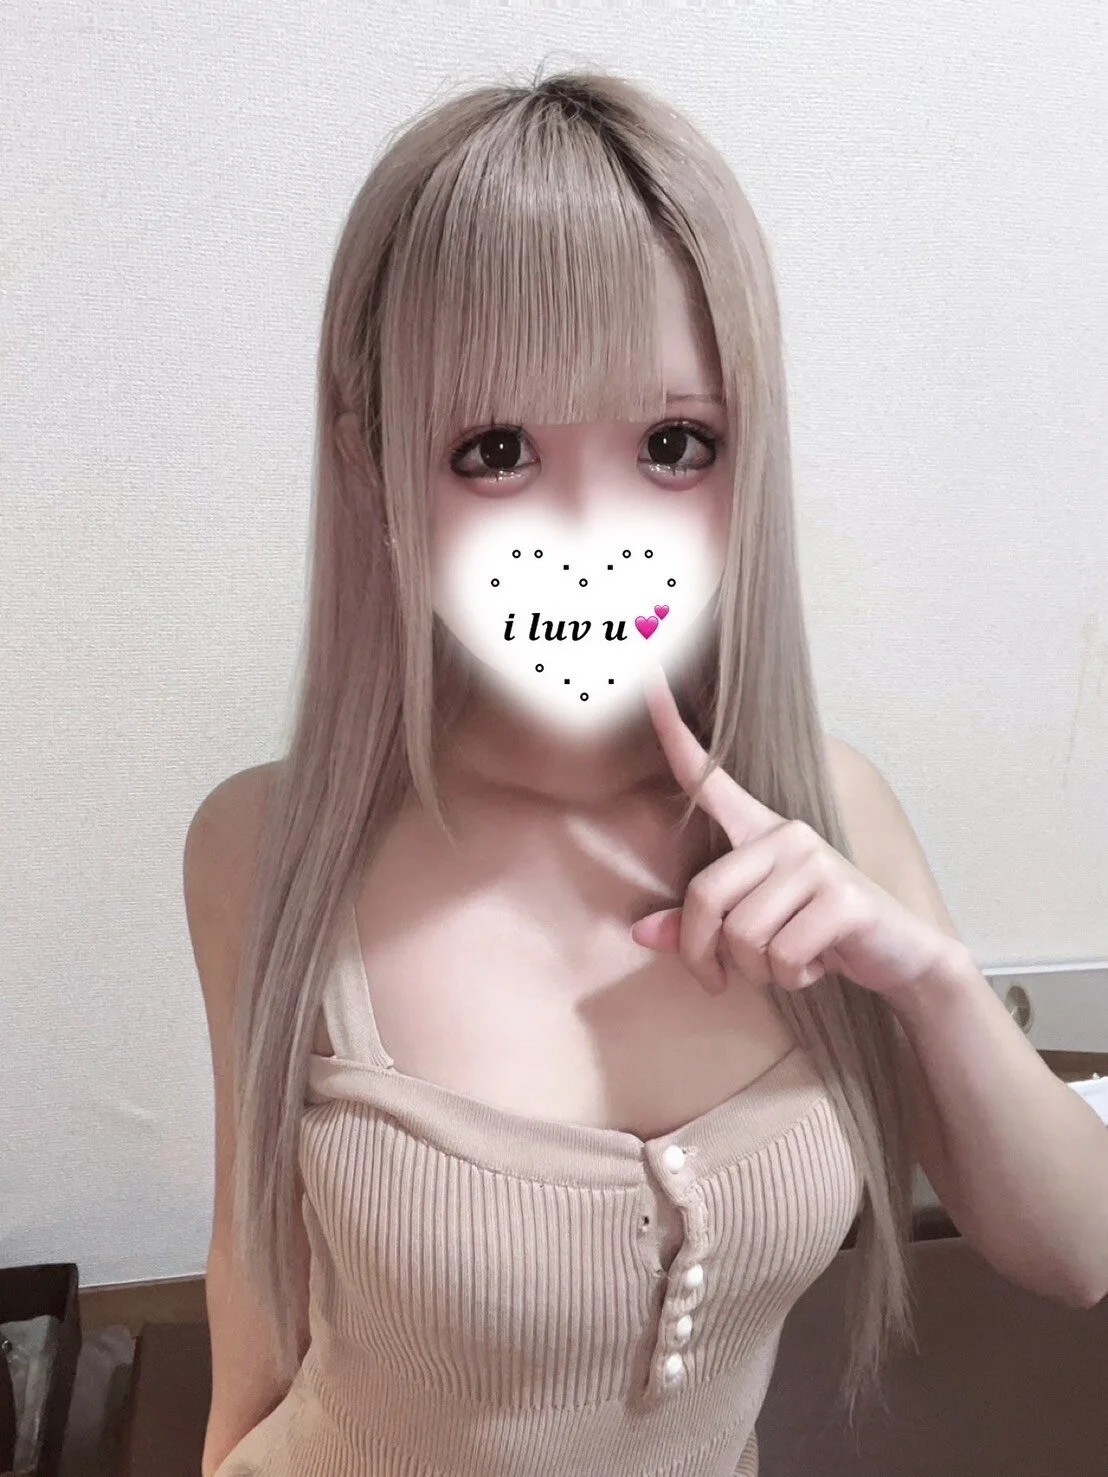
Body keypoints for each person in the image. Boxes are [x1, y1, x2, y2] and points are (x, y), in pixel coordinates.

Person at [185, 66, 1107, 1477]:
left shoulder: (833, 818)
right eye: (494, 450)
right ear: (371, 470)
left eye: (675, 445)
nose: (588, 534)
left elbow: (1079, 1255)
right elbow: (248, 1292)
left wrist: (930, 985)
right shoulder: (267, 844)